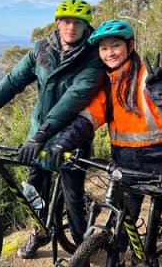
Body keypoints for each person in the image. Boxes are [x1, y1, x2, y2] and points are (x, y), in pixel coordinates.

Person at [0, 0, 106, 259]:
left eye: (77, 22)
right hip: (39, 135)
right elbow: (12, 81)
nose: (71, 26)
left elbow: (73, 100)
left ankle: (83, 252)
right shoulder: (42, 49)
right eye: (66, 21)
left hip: (71, 137)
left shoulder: (93, 57)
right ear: (58, 23)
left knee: (73, 197)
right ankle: (40, 231)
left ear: (85, 25)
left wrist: (40, 137)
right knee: (34, 190)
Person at [51, 19, 162, 264]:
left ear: (130, 46)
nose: (109, 53)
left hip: (158, 165)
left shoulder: (150, 77)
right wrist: (62, 143)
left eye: (115, 46)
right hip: (126, 167)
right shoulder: (109, 83)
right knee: (122, 229)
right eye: (103, 48)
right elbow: (89, 118)